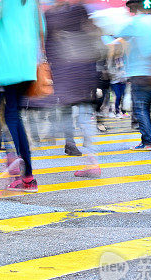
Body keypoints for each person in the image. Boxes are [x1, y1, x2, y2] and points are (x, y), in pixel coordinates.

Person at [0, 0, 40, 192]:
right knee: (14, 114)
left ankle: (26, 174)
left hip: (8, 59)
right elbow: (42, 28)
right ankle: (26, 174)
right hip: (27, 61)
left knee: (11, 115)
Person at [46, 0, 105, 178]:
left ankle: (71, 143)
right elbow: (93, 37)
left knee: (66, 111)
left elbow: (49, 47)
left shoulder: (51, 15)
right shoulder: (80, 9)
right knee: (85, 115)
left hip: (66, 72)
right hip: (84, 71)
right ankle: (92, 160)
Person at [116, 0, 151, 151]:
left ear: (134, 7)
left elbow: (116, 37)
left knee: (141, 108)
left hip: (139, 73)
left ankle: (147, 141)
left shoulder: (133, 23)